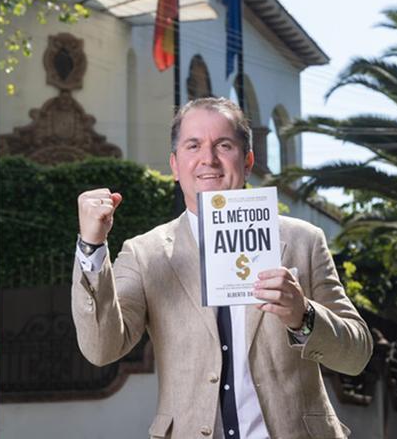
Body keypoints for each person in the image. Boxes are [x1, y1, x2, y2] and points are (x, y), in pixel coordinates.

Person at [73, 97, 373, 438]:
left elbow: (357, 355)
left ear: (247, 161)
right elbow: (101, 349)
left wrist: (303, 316)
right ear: (175, 165)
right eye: (193, 145)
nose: (208, 159)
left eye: (224, 145)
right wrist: (92, 247)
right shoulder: (145, 253)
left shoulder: (303, 241)